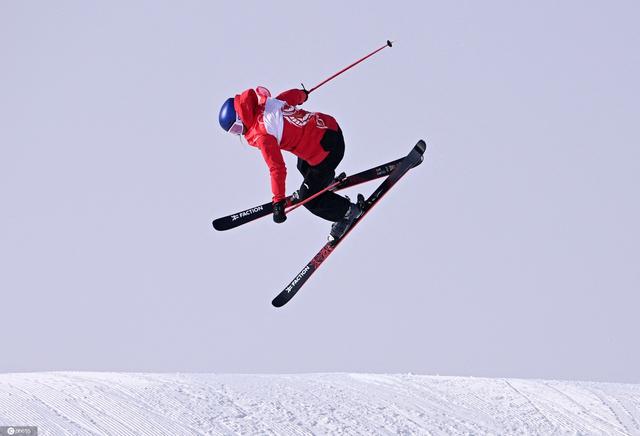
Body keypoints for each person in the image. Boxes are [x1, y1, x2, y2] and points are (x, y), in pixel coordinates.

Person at [218, 86, 362, 240]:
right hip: (330, 127)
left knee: (309, 199)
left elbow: (277, 168)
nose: (239, 133)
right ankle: (323, 183)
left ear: (241, 116)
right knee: (302, 165)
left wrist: (278, 200)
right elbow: (291, 96)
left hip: (327, 153)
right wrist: (303, 95)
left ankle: (347, 212)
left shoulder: (263, 135)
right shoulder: (268, 103)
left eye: (236, 128)